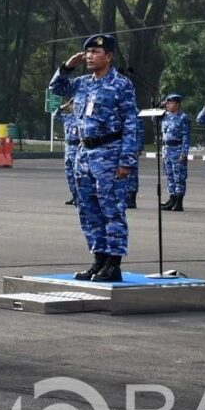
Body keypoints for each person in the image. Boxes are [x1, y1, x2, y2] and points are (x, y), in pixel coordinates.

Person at [48, 34, 138, 283]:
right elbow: (55, 89)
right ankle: (98, 259)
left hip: (109, 152)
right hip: (84, 153)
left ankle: (113, 263)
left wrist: (126, 161)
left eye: (95, 52)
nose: (89, 56)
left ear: (109, 56)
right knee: (87, 209)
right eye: (87, 52)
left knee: (112, 209)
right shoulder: (83, 83)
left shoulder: (121, 85)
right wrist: (67, 67)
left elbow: (131, 124)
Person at [159, 93, 191, 212]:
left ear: (177, 104)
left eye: (170, 103)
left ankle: (178, 202)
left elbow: (186, 137)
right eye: (167, 103)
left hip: (177, 148)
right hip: (167, 149)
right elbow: (153, 118)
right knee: (170, 176)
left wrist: (184, 153)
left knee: (179, 177)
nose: (167, 105)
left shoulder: (183, 118)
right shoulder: (165, 115)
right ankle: (171, 199)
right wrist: (160, 107)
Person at [58, 99, 79, 206]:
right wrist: (65, 105)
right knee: (69, 174)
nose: (73, 107)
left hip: (77, 148)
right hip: (68, 148)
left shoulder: (81, 118)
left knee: (77, 174)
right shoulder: (67, 118)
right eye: (71, 105)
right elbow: (55, 114)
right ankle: (74, 195)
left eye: (74, 104)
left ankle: (80, 197)